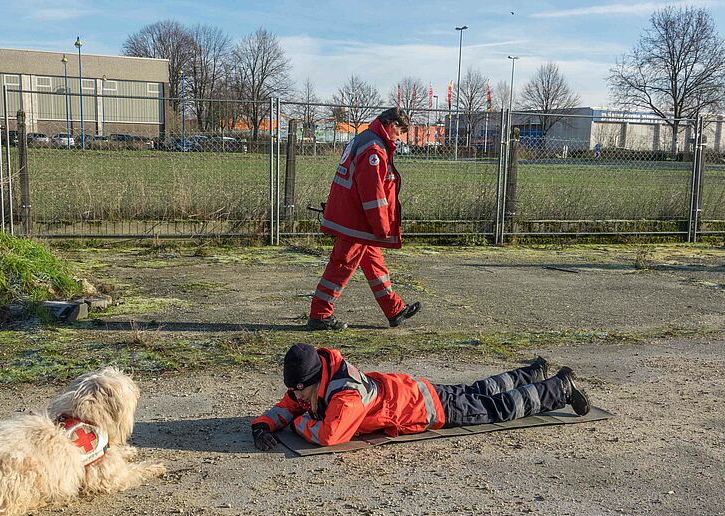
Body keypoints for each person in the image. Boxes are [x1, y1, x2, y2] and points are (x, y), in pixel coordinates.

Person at [251, 343, 590, 450]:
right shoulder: (319, 377)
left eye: (298, 389)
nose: (294, 395)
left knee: (496, 407)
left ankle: (558, 388)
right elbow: (289, 405)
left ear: (310, 381)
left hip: (427, 408)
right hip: (412, 391)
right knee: (478, 390)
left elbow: (328, 436)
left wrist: (298, 424)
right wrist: (263, 426)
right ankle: (533, 372)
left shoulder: (345, 397)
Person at [307, 107, 422, 331]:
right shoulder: (374, 149)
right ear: (391, 126)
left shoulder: (365, 139)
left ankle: (394, 309)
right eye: (399, 134)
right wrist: (381, 226)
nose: (398, 139)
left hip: (353, 216)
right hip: (357, 221)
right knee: (341, 265)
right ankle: (319, 314)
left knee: (373, 262)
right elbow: (373, 193)